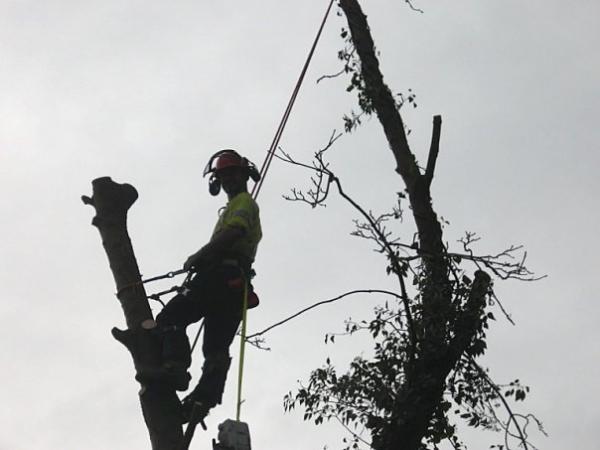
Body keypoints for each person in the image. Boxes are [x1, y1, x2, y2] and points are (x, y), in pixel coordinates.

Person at [155, 149, 262, 422]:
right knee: (215, 350)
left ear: (243, 174)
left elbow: (234, 233)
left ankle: (176, 365)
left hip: (221, 278)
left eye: (232, 174)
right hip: (233, 286)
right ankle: (202, 399)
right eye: (223, 176)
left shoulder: (243, 204)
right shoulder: (235, 206)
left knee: (170, 317)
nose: (228, 180)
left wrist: (200, 256)